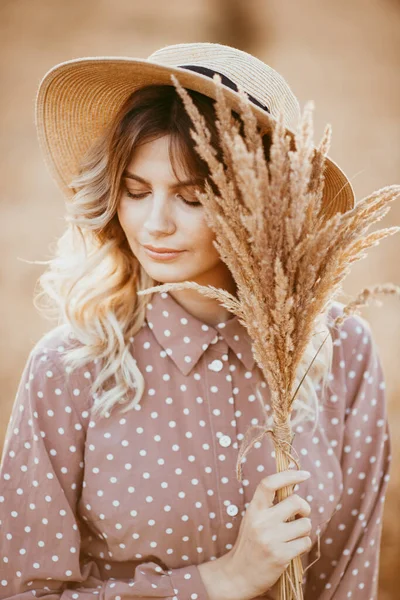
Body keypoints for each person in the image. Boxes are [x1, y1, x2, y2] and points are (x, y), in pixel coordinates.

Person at [0, 42, 391, 600]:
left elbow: (350, 575)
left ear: (255, 205)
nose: (154, 224)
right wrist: (219, 580)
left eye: (189, 198)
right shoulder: (69, 368)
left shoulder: (340, 347)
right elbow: (21, 592)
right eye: (135, 191)